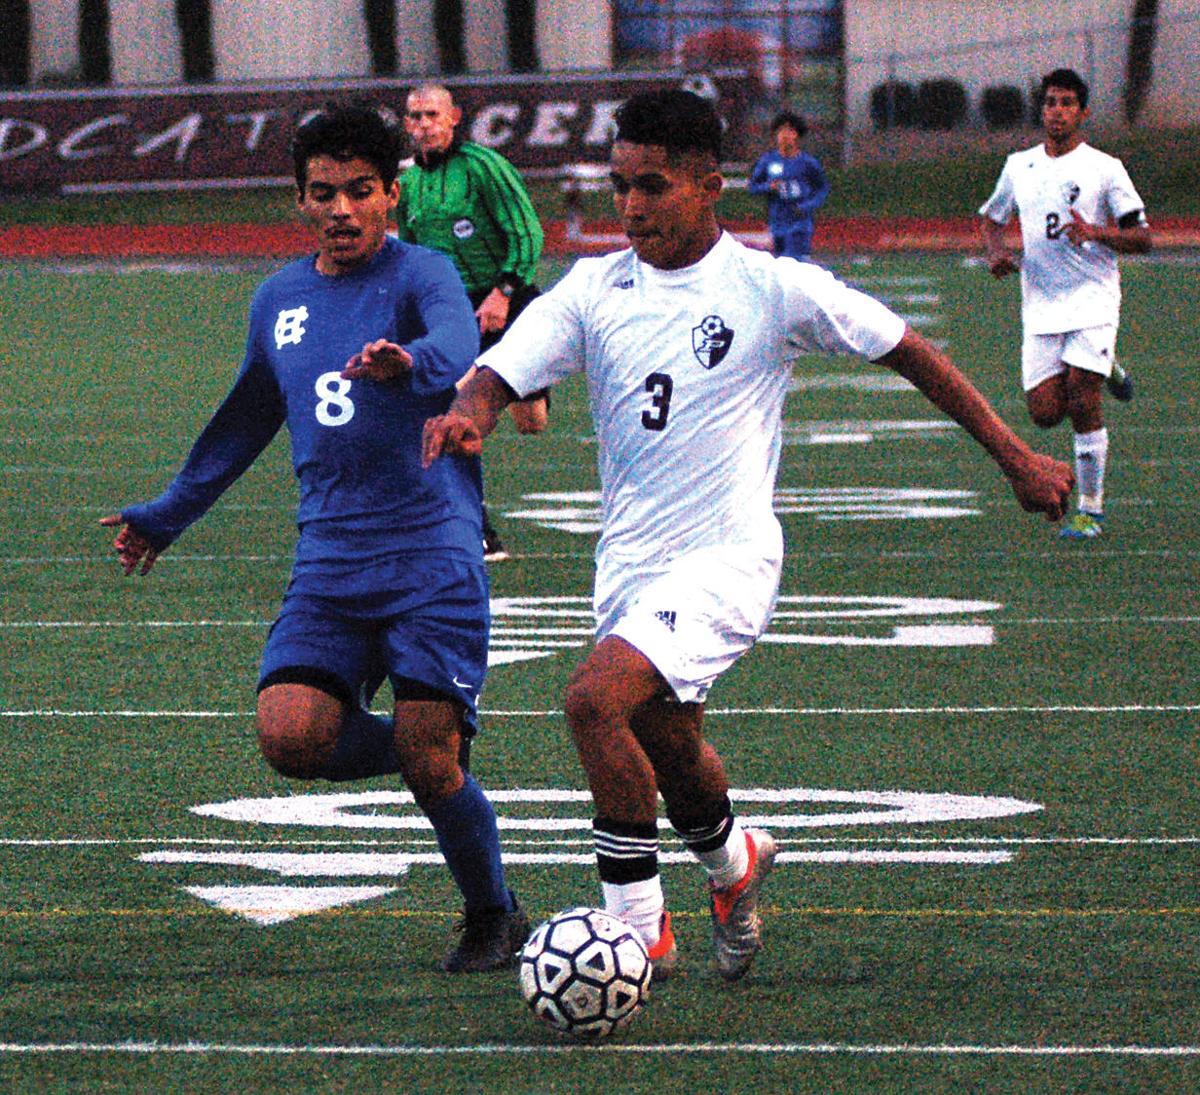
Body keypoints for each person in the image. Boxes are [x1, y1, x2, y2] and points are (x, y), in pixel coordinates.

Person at [423, 88, 1074, 982]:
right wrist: (472, 409)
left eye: (653, 185)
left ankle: (635, 935)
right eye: (620, 186)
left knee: (590, 700)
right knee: (671, 746)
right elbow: (504, 366)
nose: (632, 205)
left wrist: (1014, 459)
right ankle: (734, 866)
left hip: (727, 558)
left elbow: (906, 349)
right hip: (629, 563)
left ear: (708, 186)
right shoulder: (596, 287)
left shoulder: (771, 288)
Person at [99, 102, 529, 973]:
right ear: (300, 200)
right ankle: (428, 741)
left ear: (391, 197)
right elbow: (247, 417)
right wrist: (167, 514)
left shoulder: (425, 273)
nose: (341, 209)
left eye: (359, 192)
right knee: (290, 737)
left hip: (430, 553)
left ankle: (494, 909)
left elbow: (457, 336)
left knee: (428, 756)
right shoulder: (278, 300)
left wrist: (413, 364)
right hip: (330, 559)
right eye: (322, 193)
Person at [979, 67, 1152, 540]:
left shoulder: (1105, 168)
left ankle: (1090, 511)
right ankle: (1109, 365)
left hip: (1094, 299)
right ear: (1043, 110)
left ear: (1082, 112)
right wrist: (996, 253)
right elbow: (993, 219)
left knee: (1082, 399)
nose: (1057, 111)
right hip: (1041, 305)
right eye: (1051, 102)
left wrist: (1098, 231)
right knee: (1044, 412)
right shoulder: (1019, 166)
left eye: (1067, 103)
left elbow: (1142, 238)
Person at [400, 82, 549, 562]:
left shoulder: (485, 167)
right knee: (450, 411)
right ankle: (477, 531)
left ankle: (495, 391)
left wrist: (503, 293)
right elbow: (411, 251)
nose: (424, 124)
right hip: (452, 314)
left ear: (454, 118)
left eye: (432, 115)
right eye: (415, 116)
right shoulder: (410, 184)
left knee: (533, 423)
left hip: (510, 299)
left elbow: (527, 231)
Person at [747, 109, 830, 261]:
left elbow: (822, 189)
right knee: (780, 264)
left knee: (793, 261)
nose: (785, 136)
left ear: (797, 135)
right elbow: (753, 186)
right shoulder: (768, 161)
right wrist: (768, 187)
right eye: (780, 131)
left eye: (790, 131)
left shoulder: (808, 163)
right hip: (777, 220)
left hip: (799, 222)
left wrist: (807, 206)